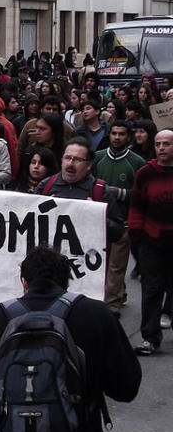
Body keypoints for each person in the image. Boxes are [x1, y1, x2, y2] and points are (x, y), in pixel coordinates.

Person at [0, 245, 141, 432]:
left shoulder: (0, 318)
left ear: (24, 282)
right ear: (66, 282)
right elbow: (126, 387)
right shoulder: (95, 314)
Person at [92, 121, 146, 316]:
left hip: (123, 221)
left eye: (121, 134)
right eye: (114, 133)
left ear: (128, 137)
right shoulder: (97, 158)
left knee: (116, 264)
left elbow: (141, 194)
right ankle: (119, 291)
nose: (116, 138)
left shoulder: (137, 162)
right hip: (98, 219)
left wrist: (120, 193)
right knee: (103, 263)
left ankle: (112, 305)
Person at [127, 129, 173, 356]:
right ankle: (150, 337)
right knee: (151, 290)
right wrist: (136, 232)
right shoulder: (146, 173)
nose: (162, 148)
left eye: (167, 144)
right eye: (158, 144)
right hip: (151, 241)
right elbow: (137, 204)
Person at [33, 137, 123, 246]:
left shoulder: (100, 191)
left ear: (88, 165)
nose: (70, 163)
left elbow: (117, 233)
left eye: (77, 160)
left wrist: (97, 215)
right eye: (67, 158)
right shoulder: (46, 186)